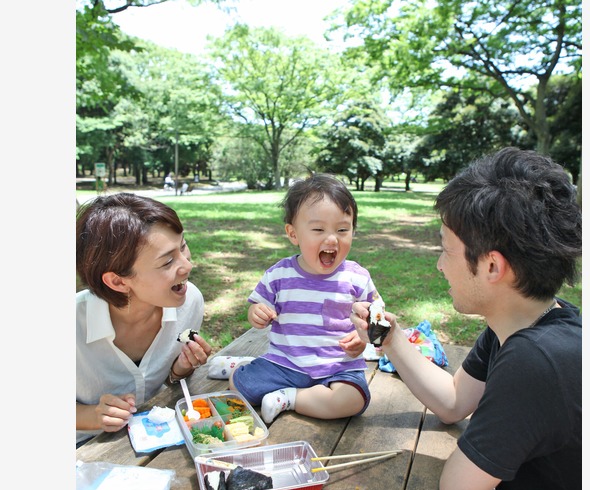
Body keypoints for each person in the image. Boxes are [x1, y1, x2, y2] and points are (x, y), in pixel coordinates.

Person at [349, 148, 582, 490]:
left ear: (492, 267)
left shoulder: (535, 361)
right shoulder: (526, 322)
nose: (439, 266)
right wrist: (389, 337)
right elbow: (454, 402)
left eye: (446, 250)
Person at [231, 173, 376, 423]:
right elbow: (257, 305)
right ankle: (238, 366)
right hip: (286, 362)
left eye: (343, 229)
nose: (332, 239)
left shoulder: (357, 277)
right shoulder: (279, 274)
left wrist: (364, 336)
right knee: (240, 387)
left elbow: (376, 316)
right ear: (293, 234)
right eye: (318, 229)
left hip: (339, 366)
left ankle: (289, 398)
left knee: (353, 400)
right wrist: (256, 313)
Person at [76, 194, 214, 446]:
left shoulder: (189, 300)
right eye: (168, 260)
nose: (187, 265)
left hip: (159, 439)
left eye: (182, 246)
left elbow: (162, 382)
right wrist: (93, 415)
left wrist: (179, 369)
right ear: (118, 281)